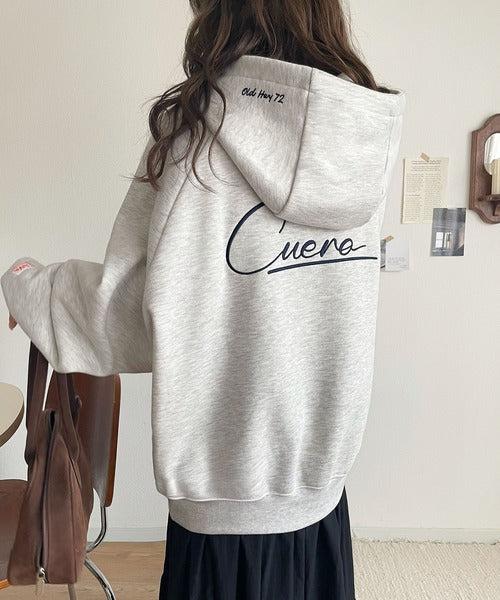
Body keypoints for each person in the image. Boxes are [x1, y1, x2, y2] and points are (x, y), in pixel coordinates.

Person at [2, 0, 406, 598]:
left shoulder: (194, 135)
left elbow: (128, 314)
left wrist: (29, 284)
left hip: (222, 519)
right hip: (321, 504)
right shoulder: (358, 133)